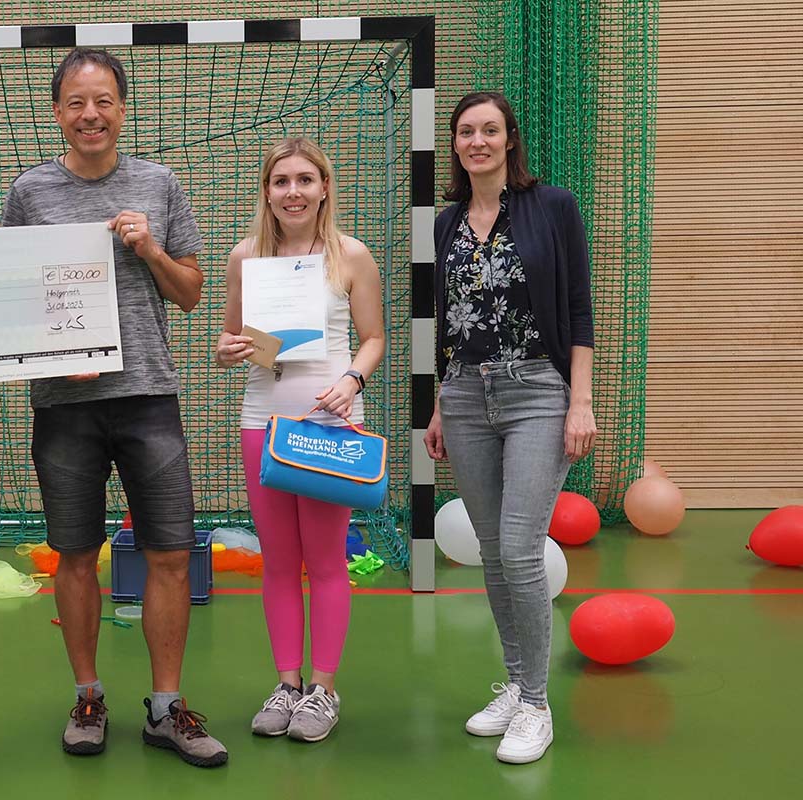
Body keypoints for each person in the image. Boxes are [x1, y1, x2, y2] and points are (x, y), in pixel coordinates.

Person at [0, 48, 227, 768]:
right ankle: (88, 695)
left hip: (148, 398)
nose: (89, 114)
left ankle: (166, 709)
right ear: (58, 112)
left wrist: (150, 248)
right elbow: (9, 297)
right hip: (65, 406)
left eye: (103, 101)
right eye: (75, 102)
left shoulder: (159, 184)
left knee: (168, 552)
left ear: (122, 109)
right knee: (73, 554)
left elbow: (190, 293)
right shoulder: (29, 192)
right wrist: (40, 346)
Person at [423, 91, 596, 765]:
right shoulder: (445, 223)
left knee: (521, 547)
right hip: (466, 396)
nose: (478, 141)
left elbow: (578, 311)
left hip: (538, 393)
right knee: (493, 551)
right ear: (457, 145)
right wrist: (441, 403)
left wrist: (579, 402)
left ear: (509, 140)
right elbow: (448, 323)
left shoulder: (553, 208)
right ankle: (517, 683)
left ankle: (536, 706)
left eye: (490, 130)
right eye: (466, 131)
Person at [214, 137, 385, 743]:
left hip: (330, 426)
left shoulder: (352, 256)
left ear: (324, 188)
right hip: (262, 425)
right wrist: (229, 350)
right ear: (267, 191)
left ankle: (323, 691)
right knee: (280, 563)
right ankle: (286, 685)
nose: (293, 191)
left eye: (305, 180)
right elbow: (229, 343)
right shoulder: (245, 259)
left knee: (327, 560)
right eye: (281, 181)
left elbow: (373, 338)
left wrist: (351, 380)